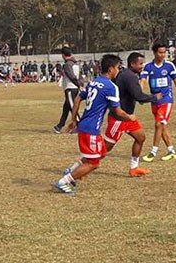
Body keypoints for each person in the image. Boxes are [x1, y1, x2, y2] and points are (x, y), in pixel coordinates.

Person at [54, 54, 138, 194]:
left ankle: (72, 170)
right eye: (118, 68)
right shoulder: (111, 87)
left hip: (86, 126)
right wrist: (130, 117)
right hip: (91, 129)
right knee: (94, 163)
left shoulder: (93, 82)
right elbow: (117, 111)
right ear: (111, 69)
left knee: (101, 152)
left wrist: (74, 120)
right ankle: (64, 181)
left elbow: (76, 100)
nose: (118, 70)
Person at [103, 52, 161, 177]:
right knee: (105, 148)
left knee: (140, 138)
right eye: (140, 64)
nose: (142, 66)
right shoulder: (130, 76)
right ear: (132, 64)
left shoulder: (126, 74)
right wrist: (154, 97)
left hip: (127, 117)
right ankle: (81, 165)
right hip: (119, 117)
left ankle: (134, 168)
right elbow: (139, 96)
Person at [141, 43, 176, 162]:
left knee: (159, 124)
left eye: (164, 52)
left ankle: (153, 152)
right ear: (154, 53)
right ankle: (171, 151)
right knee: (162, 127)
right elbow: (143, 81)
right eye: (160, 52)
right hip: (154, 100)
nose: (163, 55)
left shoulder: (169, 66)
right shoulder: (148, 67)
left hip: (167, 99)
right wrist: (140, 94)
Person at [53, 47, 82, 134]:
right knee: (66, 108)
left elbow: (71, 76)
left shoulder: (67, 64)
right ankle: (59, 126)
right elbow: (76, 76)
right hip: (73, 87)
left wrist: (78, 84)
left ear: (63, 55)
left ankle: (80, 126)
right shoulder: (74, 63)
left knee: (72, 107)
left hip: (70, 88)